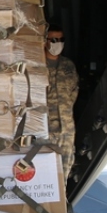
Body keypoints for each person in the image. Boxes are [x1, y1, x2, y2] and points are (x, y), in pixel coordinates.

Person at [45, 27, 78, 175]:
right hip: (45, 130)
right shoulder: (38, 65)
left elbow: (74, 91)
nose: (57, 43)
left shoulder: (68, 65)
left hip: (67, 129)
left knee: (65, 169)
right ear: (45, 41)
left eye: (60, 40)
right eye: (53, 40)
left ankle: (63, 198)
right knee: (46, 171)